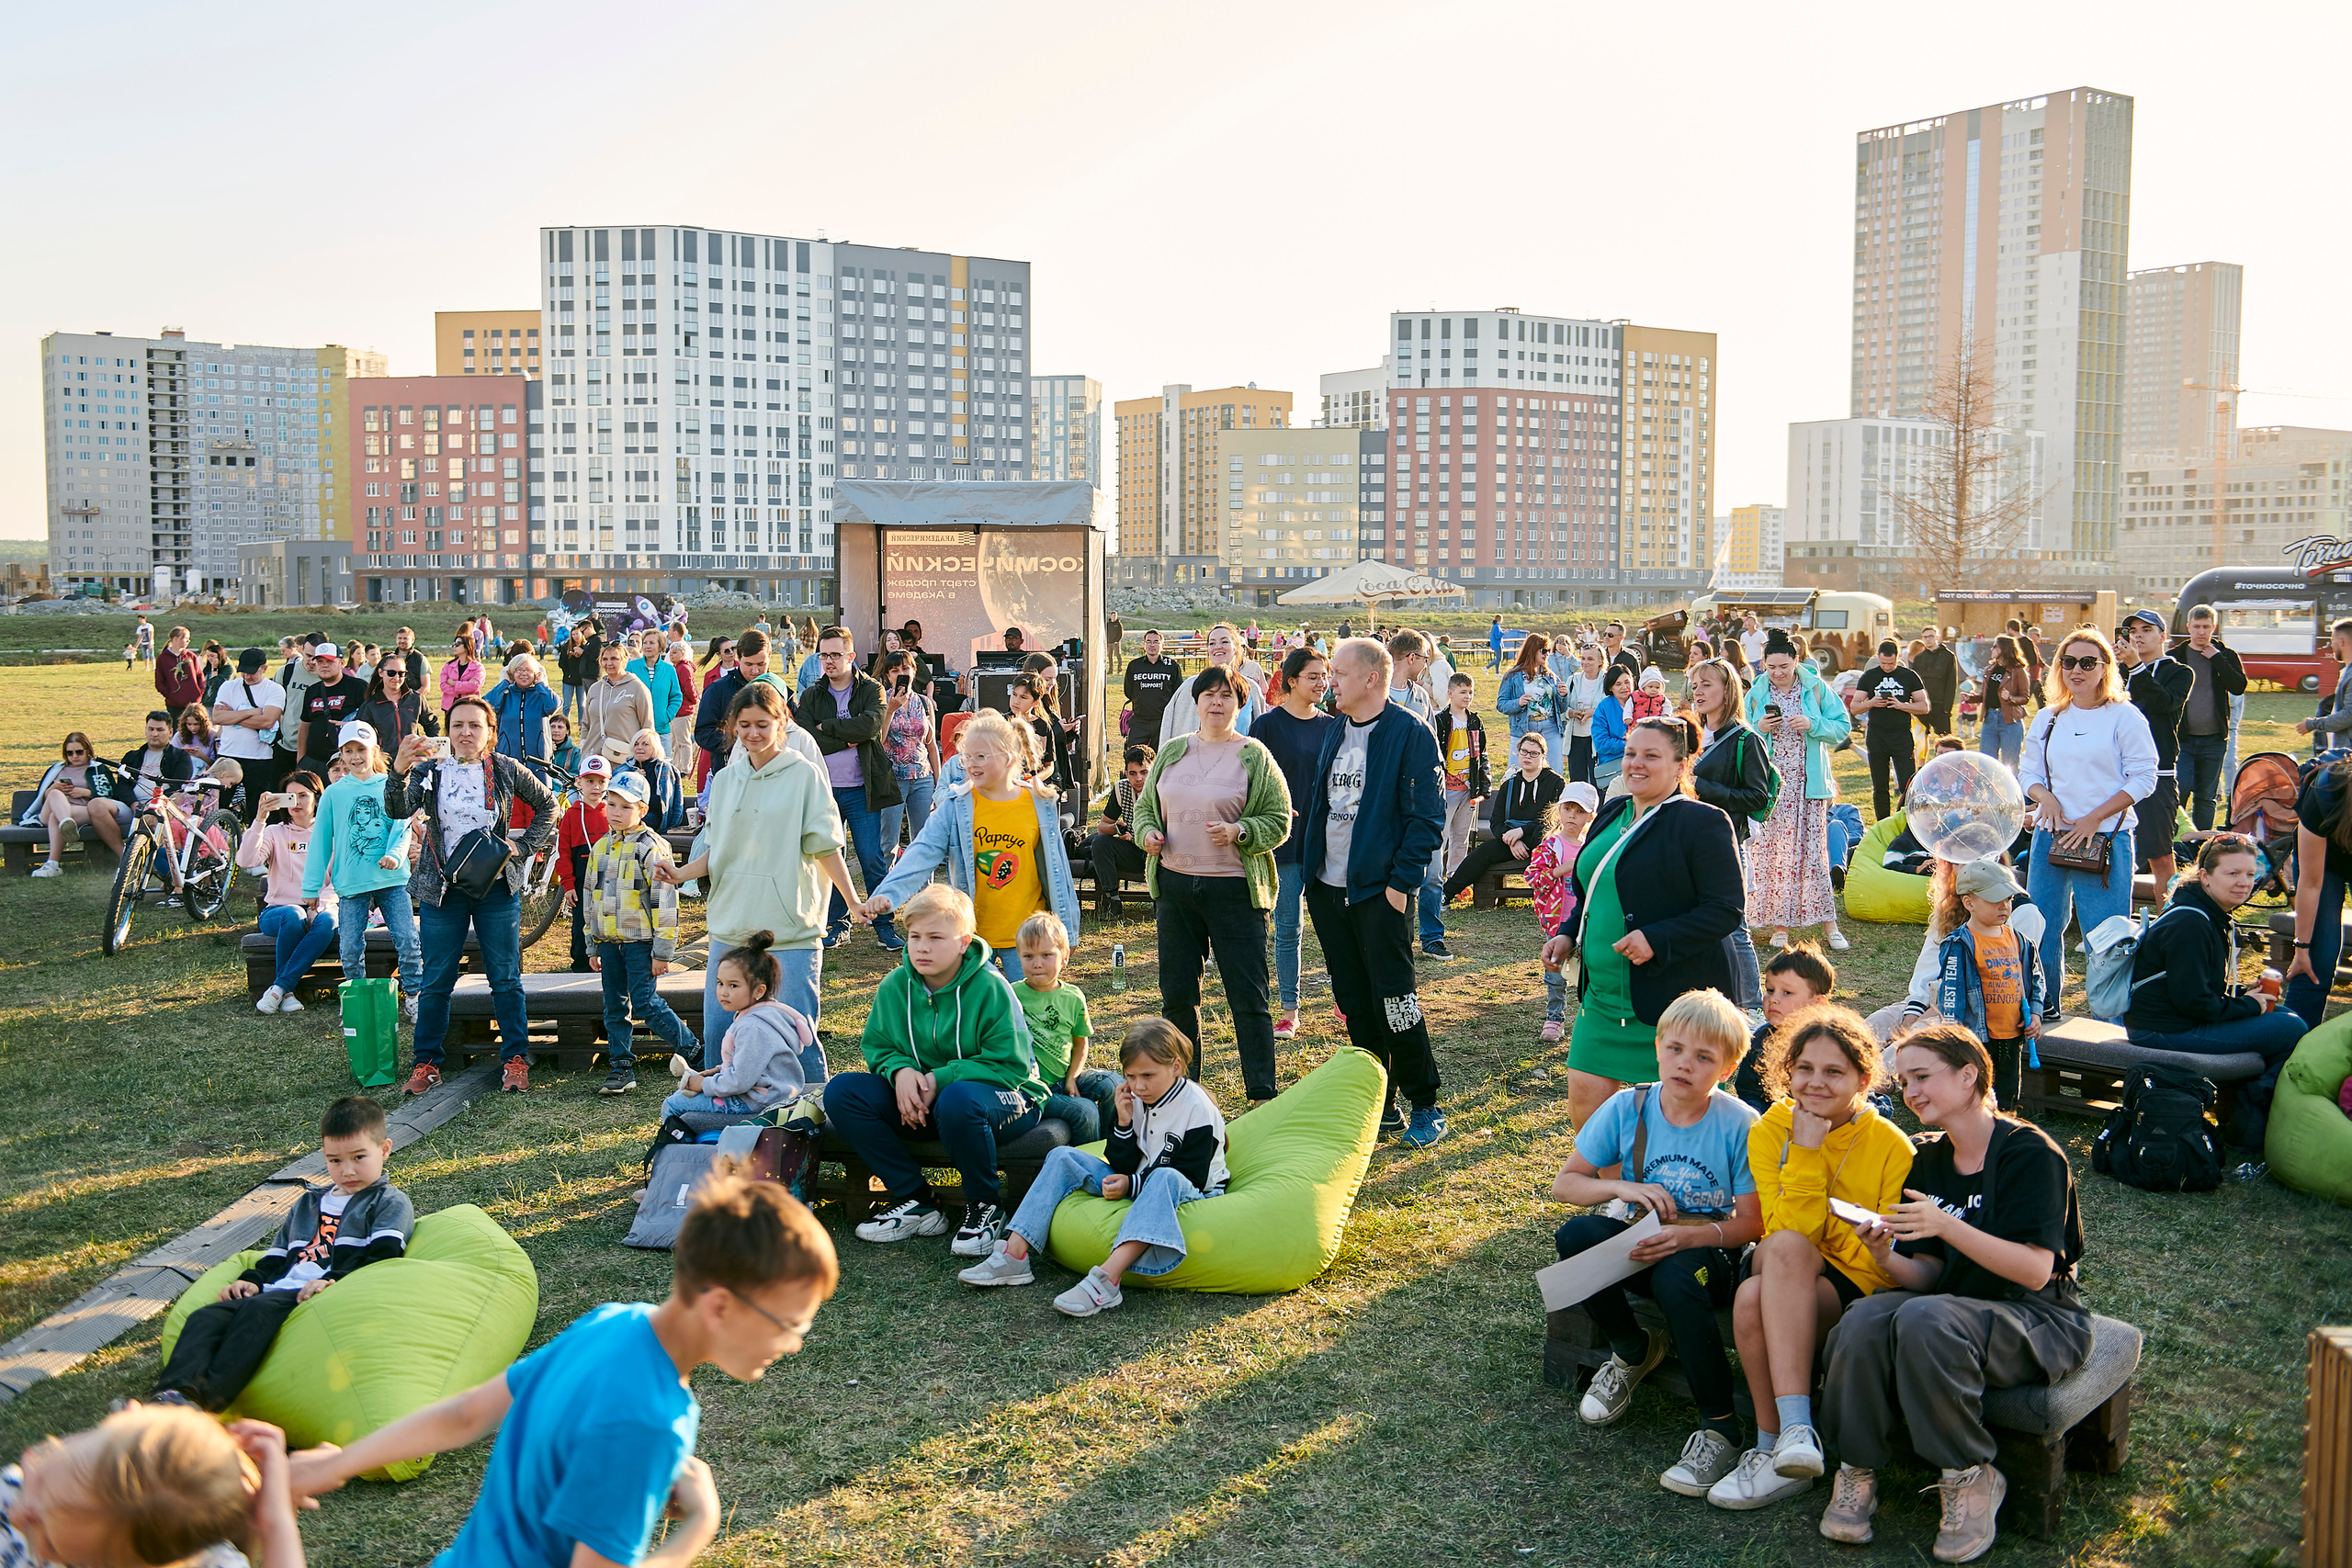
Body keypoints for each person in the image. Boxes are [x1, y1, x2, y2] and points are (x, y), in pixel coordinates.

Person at [288, 1169, 836, 1568]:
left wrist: (336, 1465)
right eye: (789, 1323)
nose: (792, 1344)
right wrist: (700, 1526)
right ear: (719, 1306)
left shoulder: (611, 1323)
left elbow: (463, 1415)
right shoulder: (650, 1424)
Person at [1815, 1025, 2093, 1563]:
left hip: (2037, 1316)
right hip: (1954, 1306)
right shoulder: (1926, 1159)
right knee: (1864, 1318)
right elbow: (1926, 1274)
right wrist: (1882, 1255)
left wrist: (1944, 1224)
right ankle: (1857, 1468)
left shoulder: (2030, 1154)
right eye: (1903, 1081)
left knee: (1927, 1320)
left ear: (1969, 1076)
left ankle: (1970, 1474)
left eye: (1922, 1076)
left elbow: (2035, 1271)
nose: (1910, 1091)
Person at [1547, 990, 1764, 1499]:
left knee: (1675, 1274)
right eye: (1676, 1049)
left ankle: (1720, 1428)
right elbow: (1566, 1185)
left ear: (1728, 1067)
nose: (1685, 1064)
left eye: (1704, 1057)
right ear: (1659, 1046)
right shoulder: (1630, 1105)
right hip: (1641, 1238)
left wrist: (1690, 1236)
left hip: (1709, 1254)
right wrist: (1620, 1187)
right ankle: (1632, 1350)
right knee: (1577, 1235)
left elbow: (1752, 1224)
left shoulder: (1739, 1123)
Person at [1710, 1005, 1915, 1511]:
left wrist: (1808, 1166)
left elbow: (1878, 1253)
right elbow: (1785, 1231)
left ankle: (1774, 1440)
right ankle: (1791, 1436)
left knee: (1751, 1297)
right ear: (1787, 1071)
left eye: (1833, 1071)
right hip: (1788, 1262)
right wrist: (1803, 1151)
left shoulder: (1891, 1145)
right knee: (1782, 1252)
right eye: (1804, 1069)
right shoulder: (1769, 1130)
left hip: (1852, 1282)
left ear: (1863, 1078)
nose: (1815, 1083)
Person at [1544, 716, 1747, 1132]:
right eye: (1631, 753)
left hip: (1671, 1001)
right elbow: (1590, 887)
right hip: (1601, 998)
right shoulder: (1613, 810)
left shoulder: (1703, 821)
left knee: (1681, 1126)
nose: (1636, 763)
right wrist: (1568, 933)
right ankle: (1615, 1195)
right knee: (1588, 1111)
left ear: (1680, 765)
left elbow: (1726, 909)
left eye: (1651, 756)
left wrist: (1656, 938)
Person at [829, 882, 1047, 1258]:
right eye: (914, 936)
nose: (922, 947)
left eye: (935, 937)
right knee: (843, 1091)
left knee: (958, 1099)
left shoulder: (990, 987)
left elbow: (1009, 1065)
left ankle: (985, 1205)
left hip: (1007, 1101)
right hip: (929, 1104)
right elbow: (879, 1046)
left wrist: (937, 1079)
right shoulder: (896, 985)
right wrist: (901, 1073)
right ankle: (917, 1201)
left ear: (964, 942)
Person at [957, 1015, 1229, 1315]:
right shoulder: (1134, 1097)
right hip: (1140, 1181)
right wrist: (1124, 1123)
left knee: (1165, 1176)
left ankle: (1106, 1280)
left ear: (1175, 1066)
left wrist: (1131, 1184)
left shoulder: (1196, 1107)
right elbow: (1121, 1161)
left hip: (1194, 1190)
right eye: (1131, 1076)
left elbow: (1191, 1174)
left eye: (1148, 1076)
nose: (1138, 1085)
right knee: (1062, 1156)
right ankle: (1014, 1255)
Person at [156, 1097, 412, 1413]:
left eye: (359, 1157)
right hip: (278, 1289)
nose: (347, 1170)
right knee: (206, 1316)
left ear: (384, 1149)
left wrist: (331, 1279)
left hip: (318, 1293)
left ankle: (207, 1404)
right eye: (334, 1161)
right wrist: (253, 1281)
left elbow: (383, 1260)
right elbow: (276, 1255)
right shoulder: (307, 1204)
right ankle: (171, 1396)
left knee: (256, 1313)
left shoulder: (388, 1202)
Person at [660, 680, 860, 1072]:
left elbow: (826, 848)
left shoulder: (804, 776)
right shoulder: (728, 780)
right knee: (721, 1037)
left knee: (796, 1037)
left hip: (791, 928)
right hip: (731, 926)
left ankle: (808, 1116)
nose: (753, 733)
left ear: (781, 722)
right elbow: (719, 849)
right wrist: (680, 872)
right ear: (734, 725)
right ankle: (721, 1119)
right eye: (745, 724)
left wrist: (853, 901)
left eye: (762, 724)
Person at [1302, 637, 1449, 1146]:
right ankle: (1376, 1100)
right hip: (1328, 889)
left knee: (1395, 999)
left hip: (1379, 893)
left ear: (1370, 678)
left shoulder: (1410, 734)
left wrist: (1399, 885)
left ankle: (1425, 1103)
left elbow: (1427, 820)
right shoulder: (1335, 729)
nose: (1329, 681)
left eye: (1338, 673)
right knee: (1354, 1000)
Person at [1129, 665, 1293, 1103]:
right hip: (1176, 888)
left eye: (1227, 696)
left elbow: (1279, 820)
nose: (1217, 702)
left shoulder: (1254, 754)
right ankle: (1184, 1091)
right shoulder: (1172, 751)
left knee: (1248, 995)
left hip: (1234, 891)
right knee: (1178, 995)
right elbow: (1146, 808)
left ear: (1240, 705)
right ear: (1196, 703)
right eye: (1209, 695)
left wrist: (1241, 831)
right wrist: (1148, 834)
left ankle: (1261, 1091)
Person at [384, 698, 559, 1097]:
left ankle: (515, 1058)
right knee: (437, 979)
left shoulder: (505, 768)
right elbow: (396, 810)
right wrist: (398, 769)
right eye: (458, 725)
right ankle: (426, 1062)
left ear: (490, 733)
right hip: (441, 889)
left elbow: (548, 804)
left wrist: (524, 846)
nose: (465, 732)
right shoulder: (430, 770)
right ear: (448, 730)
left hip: (495, 887)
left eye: (474, 726)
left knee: (505, 976)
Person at [865, 710, 1080, 986]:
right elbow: (921, 853)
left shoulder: (1038, 803)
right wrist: (887, 894)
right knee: (976, 1021)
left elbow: (1058, 871)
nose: (971, 765)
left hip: (1028, 940)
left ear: (1008, 757)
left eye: (981, 756)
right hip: (973, 941)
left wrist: (1068, 931)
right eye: (967, 756)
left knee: (1030, 1020)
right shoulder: (957, 806)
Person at [2126, 835, 2307, 1146]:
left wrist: (2241, 996)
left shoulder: (2207, 911)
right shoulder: (2191, 923)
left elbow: (2195, 988)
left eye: (2250, 874)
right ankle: (2252, 1125)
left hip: (2178, 1019)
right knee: (2290, 1027)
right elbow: (2195, 1003)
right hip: (2162, 1029)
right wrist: (2249, 1005)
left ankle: (2244, 1114)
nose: (2244, 882)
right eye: (2232, 873)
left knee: (2285, 1015)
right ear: (2206, 876)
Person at [2019, 628, 2157, 1017]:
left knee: (2107, 936)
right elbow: (2027, 771)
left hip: (2106, 840)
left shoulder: (2124, 716)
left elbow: (2145, 777)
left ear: (2105, 668)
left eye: (2087, 663)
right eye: (2068, 662)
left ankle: (2108, 1022)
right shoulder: (2048, 717)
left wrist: (2094, 818)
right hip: (2051, 837)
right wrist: (2043, 798)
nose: (2076, 670)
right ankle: (2044, 1008)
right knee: (2041, 930)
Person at [4, 1399, 305, 1568]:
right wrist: (277, 1522)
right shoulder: (10, 1490)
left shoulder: (210, 1562)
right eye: (39, 1469)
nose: (16, 1516)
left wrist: (276, 1524)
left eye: (49, 1544)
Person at [582, 769, 696, 1097]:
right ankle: (621, 1066)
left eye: (625, 807)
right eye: (611, 805)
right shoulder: (601, 847)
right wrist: (592, 945)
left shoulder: (651, 847)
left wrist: (662, 951)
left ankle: (692, 1050)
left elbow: (665, 900)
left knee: (645, 1003)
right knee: (614, 1006)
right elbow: (591, 897)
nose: (616, 813)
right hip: (608, 943)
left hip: (640, 943)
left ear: (642, 810)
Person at [302, 722, 424, 1024]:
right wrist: (311, 887)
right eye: (349, 751)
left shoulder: (390, 784)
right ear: (341, 755)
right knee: (350, 945)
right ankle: (356, 999)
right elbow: (320, 841)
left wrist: (395, 856)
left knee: (408, 940)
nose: (356, 757)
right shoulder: (333, 794)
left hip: (392, 881)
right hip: (351, 883)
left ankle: (414, 996)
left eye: (361, 750)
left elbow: (402, 827)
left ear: (374, 751)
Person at [793, 626, 905, 951]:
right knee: (832, 859)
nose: (828, 661)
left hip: (861, 789)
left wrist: (827, 727)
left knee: (872, 859)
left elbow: (870, 727)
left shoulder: (871, 689)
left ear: (850, 656)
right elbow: (807, 736)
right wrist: (846, 734)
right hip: (823, 791)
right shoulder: (812, 694)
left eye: (835, 655)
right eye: (823, 655)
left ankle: (884, 924)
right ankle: (838, 923)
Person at [1744, 630, 1853, 952]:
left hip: (1809, 784)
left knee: (1813, 852)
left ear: (1796, 661)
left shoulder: (1816, 688)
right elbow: (1743, 733)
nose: (1778, 673)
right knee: (1774, 852)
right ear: (1763, 664)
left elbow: (1843, 727)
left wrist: (1813, 724)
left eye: (1784, 666)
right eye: (1772, 667)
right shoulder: (1755, 693)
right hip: (1772, 785)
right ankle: (1780, 925)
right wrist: (1760, 729)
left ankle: (1829, 923)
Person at [1250, 649, 1335, 1039]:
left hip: (1326, 841)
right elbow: (1250, 779)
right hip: (1284, 841)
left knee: (1336, 924)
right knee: (1289, 927)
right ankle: (1289, 1009)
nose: (1322, 682)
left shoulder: (1333, 726)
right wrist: (1276, 808)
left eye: (1325, 675)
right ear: (1292, 681)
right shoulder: (1267, 727)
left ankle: (1344, 1000)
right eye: (1313, 676)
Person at [1687, 656, 1772, 1014]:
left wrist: (1701, 786)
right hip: (1691, 841)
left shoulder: (1745, 740)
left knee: (1734, 927)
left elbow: (1758, 797)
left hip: (1727, 842)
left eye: (1707, 684)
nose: (1699, 690)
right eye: (1695, 684)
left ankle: (1751, 1007)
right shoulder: (1695, 734)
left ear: (1728, 690)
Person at [662, 932, 819, 1117]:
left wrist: (703, 1084)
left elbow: (740, 1080)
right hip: (769, 1093)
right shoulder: (766, 1014)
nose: (723, 992)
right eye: (720, 983)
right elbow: (750, 1064)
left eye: (733, 985)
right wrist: (716, 1071)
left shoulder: (752, 1027)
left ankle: (679, 1146)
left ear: (759, 990)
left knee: (673, 1104)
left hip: (756, 1101)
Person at [1013, 910, 1121, 1144]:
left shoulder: (1073, 996)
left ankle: (1112, 1149)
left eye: (1046, 955)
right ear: (1019, 957)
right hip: (1033, 1089)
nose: (1037, 964)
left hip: (1065, 1076)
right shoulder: (1012, 995)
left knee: (1115, 1085)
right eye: (1028, 956)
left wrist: (1072, 1077)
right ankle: (1084, 1167)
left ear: (1064, 958)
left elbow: (1081, 1042)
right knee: (1085, 1111)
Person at [242, 771, 337, 1015]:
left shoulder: (332, 833)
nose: (296, 802)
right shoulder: (274, 832)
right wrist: (260, 819)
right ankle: (288, 990)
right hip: (278, 912)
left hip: (319, 908)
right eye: (290, 796)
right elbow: (246, 861)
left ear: (317, 798)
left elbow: (339, 880)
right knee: (293, 915)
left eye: (303, 795)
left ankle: (280, 988)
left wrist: (321, 905)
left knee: (328, 920)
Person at [2119, 608, 2194, 890]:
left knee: (2160, 854)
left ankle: (2165, 924)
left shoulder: (2179, 672)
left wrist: (2136, 667)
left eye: (2147, 630)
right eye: (2133, 631)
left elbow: (2163, 704)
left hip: (2156, 776)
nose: (2138, 636)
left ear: (2163, 636)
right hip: (2112, 774)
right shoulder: (2116, 672)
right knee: (2111, 854)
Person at [1442, 730, 1564, 901]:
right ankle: (1446, 894)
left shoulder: (1556, 783)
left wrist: (1521, 832)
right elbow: (1496, 822)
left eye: (1534, 753)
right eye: (1524, 751)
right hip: (1512, 839)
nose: (1528, 756)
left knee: (1541, 833)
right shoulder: (1510, 784)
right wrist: (1511, 840)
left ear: (1543, 755)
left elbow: (1553, 821)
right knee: (1483, 851)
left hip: (1541, 840)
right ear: (1518, 752)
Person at [1523, 784, 1600, 1041]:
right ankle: (1554, 1018)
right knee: (1555, 971)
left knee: (1588, 971)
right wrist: (1561, 869)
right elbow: (1532, 877)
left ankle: (1590, 1019)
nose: (1571, 816)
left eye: (1579, 812)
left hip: (1588, 921)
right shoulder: (1551, 846)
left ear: (1590, 816)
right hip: (1557, 921)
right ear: (1559, 811)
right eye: (1567, 809)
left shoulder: (1593, 846)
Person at [1734, 944, 1837, 1112]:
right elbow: (1750, 1091)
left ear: (1818, 1003)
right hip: (1776, 1120)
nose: (1773, 999)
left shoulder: (1835, 1043)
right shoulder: (1762, 1039)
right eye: (1770, 990)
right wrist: (1756, 1112)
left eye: (1787, 992)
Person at [2174, 604, 2245, 831]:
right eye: (2196, 627)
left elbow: (2239, 687)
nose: (2201, 632)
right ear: (2188, 627)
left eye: (2206, 627)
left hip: (2214, 739)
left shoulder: (2226, 655)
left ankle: (2200, 845)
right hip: (2181, 739)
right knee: (2180, 790)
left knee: (2206, 796)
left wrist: (2217, 659)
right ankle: (2175, 842)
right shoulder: (2175, 656)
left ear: (2214, 627)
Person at [27, 733, 128, 875]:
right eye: (69, 753)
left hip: (83, 810)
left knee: (56, 817)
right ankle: (66, 822)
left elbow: (109, 796)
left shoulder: (98, 769)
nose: (74, 756)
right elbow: (42, 799)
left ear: (88, 751)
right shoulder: (56, 769)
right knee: (55, 795)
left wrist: (86, 792)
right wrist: (53, 788)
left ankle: (53, 864)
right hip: (52, 811)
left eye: (79, 752)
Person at [874, 649, 941, 852]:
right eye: (895, 670)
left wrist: (939, 782)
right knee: (888, 842)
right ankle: (888, 882)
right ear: (888, 676)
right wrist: (890, 710)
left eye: (905, 668)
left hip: (923, 776)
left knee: (923, 841)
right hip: (893, 778)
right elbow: (878, 741)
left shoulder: (923, 702)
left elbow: (931, 745)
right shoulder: (880, 700)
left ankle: (924, 884)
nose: (901, 673)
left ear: (914, 671)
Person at [1855, 640, 1929, 821]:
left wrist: (1901, 705)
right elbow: (1855, 707)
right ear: (1878, 658)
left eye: (1891, 663)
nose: (1887, 667)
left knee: (1907, 784)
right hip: (1877, 735)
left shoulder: (1909, 676)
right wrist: (1872, 703)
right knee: (1880, 786)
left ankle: (1906, 821)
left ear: (1898, 658)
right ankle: (1882, 823)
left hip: (1901, 735)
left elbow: (1924, 706)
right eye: (1883, 663)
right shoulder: (1869, 676)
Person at [1157, 622, 1261, 745]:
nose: (1217, 646)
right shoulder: (1189, 687)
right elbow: (1170, 734)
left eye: (1224, 641)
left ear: (1237, 648)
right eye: (1212, 643)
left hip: (1240, 761)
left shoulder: (1251, 689)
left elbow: (1262, 736)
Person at [556, 754, 613, 972]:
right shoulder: (571, 815)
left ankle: (608, 961)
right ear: (578, 782)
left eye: (601, 782)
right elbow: (563, 853)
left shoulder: (614, 812)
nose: (596, 787)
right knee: (582, 923)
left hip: (610, 878)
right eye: (590, 781)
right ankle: (581, 963)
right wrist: (568, 884)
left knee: (609, 920)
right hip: (581, 880)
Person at [1434, 671, 1489, 890]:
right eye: (1462, 692)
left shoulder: (1475, 721)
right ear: (1450, 693)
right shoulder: (1440, 721)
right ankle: (1435, 881)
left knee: (1462, 836)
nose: (1467, 696)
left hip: (1469, 789)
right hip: (1445, 789)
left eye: (1470, 692)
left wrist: (1484, 785)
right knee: (1441, 835)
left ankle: (1456, 881)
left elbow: (1482, 755)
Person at [1089, 743, 1156, 919]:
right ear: (1126, 773)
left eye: (1144, 772)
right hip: (1133, 852)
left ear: (1153, 770)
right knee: (1100, 841)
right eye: (1132, 773)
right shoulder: (1122, 788)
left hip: (1158, 851)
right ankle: (1113, 901)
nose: (1138, 779)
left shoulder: (1162, 789)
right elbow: (1102, 827)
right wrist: (1118, 830)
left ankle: (1161, 900)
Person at [291, 643, 368, 782]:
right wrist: (301, 759)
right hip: (313, 761)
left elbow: (371, 723)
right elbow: (304, 726)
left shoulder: (358, 687)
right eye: (320, 661)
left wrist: (350, 725)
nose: (324, 665)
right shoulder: (312, 690)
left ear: (341, 663)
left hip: (343, 763)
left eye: (330, 661)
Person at [481, 652, 560, 783]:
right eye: (519, 670)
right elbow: (487, 706)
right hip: (509, 758)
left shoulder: (541, 694)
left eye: (528, 670)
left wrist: (541, 684)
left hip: (538, 761)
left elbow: (553, 706)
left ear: (535, 674)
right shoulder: (505, 694)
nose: (524, 673)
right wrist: (504, 683)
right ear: (512, 672)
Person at [1496, 633, 1566, 773]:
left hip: (1550, 728)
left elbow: (1561, 708)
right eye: (1544, 650)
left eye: (1549, 651)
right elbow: (1501, 704)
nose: (1547, 654)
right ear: (1532, 650)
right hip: (1524, 729)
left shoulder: (1550, 676)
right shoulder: (1513, 675)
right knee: (1517, 772)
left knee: (1554, 771)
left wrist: (1562, 696)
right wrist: (1518, 703)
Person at [581, 638, 656, 764]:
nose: (609, 663)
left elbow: (647, 727)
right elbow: (586, 723)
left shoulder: (638, 688)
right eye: (605, 659)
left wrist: (642, 757)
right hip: (594, 760)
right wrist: (584, 745)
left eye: (614, 658)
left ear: (624, 661)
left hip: (623, 759)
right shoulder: (595, 689)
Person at [354, 653, 435, 755]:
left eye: (401, 674)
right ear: (381, 673)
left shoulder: (416, 699)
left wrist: (432, 751)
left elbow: (432, 725)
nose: (396, 677)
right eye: (391, 673)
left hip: (413, 760)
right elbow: (361, 736)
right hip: (384, 763)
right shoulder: (370, 706)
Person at [1974, 635, 2033, 770]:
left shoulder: (2018, 670)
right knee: (1986, 763)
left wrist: (2010, 698)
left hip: (2010, 721)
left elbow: (2025, 697)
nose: (1991, 649)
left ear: (2004, 649)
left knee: (2011, 763)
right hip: (1989, 719)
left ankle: (2012, 791)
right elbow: (1985, 695)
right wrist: (1971, 698)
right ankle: (1988, 790)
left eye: (1995, 646)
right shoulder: (1989, 669)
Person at [1124, 628, 1183, 749]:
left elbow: (1178, 693)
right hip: (1139, 721)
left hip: (1163, 721)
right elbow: (1128, 692)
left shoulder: (1171, 666)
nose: (1152, 645)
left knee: (1163, 758)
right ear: (1144, 645)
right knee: (1134, 756)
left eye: (1156, 642)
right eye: (1148, 641)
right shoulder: (1134, 665)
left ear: (1162, 645)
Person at [625, 728, 688, 836]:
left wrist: (638, 787)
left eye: (645, 744)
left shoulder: (664, 769)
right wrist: (632, 778)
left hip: (654, 816)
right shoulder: (626, 768)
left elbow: (661, 803)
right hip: (629, 811)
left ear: (654, 748)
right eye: (636, 744)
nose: (639, 748)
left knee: (629, 819)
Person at [625, 628, 684, 742]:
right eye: (645, 643)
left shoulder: (669, 670)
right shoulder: (631, 667)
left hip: (661, 729)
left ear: (660, 646)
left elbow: (676, 696)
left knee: (664, 760)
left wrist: (666, 717)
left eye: (652, 643)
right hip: (636, 729)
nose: (647, 646)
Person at [1591, 664, 1637, 795]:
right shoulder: (1603, 707)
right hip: (1613, 770)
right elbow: (1601, 743)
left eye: (1627, 682)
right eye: (1618, 684)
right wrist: (1629, 745)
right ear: (1610, 687)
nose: (1624, 687)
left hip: (1640, 767)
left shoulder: (1641, 702)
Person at [1913, 625, 1960, 740]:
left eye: (1931, 636)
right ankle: (1921, 759)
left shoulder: (1948, 656)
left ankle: (1944, 759)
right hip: (1922, 703)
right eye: (1925, 637)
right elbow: (1914, 681)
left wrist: (1947, 707)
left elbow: (1951, 683)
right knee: (1920, 738)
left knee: (1945, 739)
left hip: (1940, 704)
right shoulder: (1919, 658)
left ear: (1937, 637)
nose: (1928, 639)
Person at [154, 625, 206, 713]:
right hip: (174, 705)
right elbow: (159, 682)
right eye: (185, 638)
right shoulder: (163, 658)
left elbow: (200, 676)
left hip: (194, 703)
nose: (188, 641)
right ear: (175, 639)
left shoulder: (191, 656)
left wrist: (199, 692)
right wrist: (170, 696)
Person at [437, 632, 486, 718]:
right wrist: (465, 687)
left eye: (458, 644)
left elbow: (476, 686)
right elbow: (443, 686)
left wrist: (454, 684)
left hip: (470, 706)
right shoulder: (448, 666)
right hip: (450, 707)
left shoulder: (478, 667)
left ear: (467, 646)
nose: (454, 646)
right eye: (454, 644)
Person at [556, 626, 593, 724]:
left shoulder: (586, 647)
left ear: (582, 634)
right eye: (573, 634)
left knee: (581, 705)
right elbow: (561, 662)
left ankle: (581, 725)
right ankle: (564, 725)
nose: (575, 636)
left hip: (581, 680)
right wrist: (568, 673)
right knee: (567, 705)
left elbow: (590, 661)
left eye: (577, 634)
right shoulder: (567, 646)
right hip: (568, 680)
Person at [173, 703, 220, 767]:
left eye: (196, 724)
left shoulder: (213, 735)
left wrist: (201, 755)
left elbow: (216, 764)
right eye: (189, 724)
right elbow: (172, 758)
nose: (192, 728)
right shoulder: (179, 735)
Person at [545, 712, 582, 778]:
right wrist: (548, 751)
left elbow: (575, 774)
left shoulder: (576, 752)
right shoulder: (541, 748)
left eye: (560, 727)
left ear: (567, 731)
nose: (556, 730)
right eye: (553, 727)